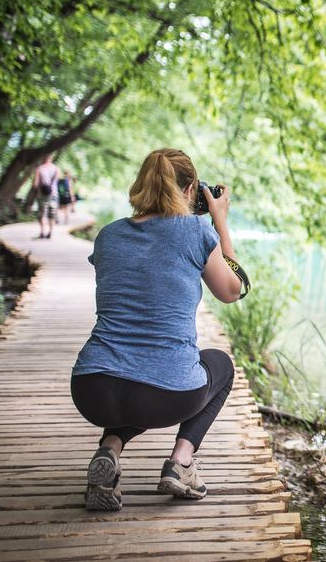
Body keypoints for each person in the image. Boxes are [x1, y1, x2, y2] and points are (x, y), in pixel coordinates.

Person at [69, 148, 245, 511]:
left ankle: (109, 452)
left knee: (133, 383)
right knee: (220, 365)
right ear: (191, 188)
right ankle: (180, 464)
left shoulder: (108, 235)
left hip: (91, 387)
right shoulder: (195, 231)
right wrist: (220, 221)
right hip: (166, 394)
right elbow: (231, 290)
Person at [30, 154, 60, 239]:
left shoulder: (39, 169)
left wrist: (40, 188)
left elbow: (35, 184)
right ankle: (50, 232)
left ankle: (42, 232)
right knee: (52, 214)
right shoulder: (56, 169)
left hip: (42, 195)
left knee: (42, 214)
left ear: (43, 158)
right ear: (51, 158)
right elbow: (56, 181)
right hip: (54, 195)